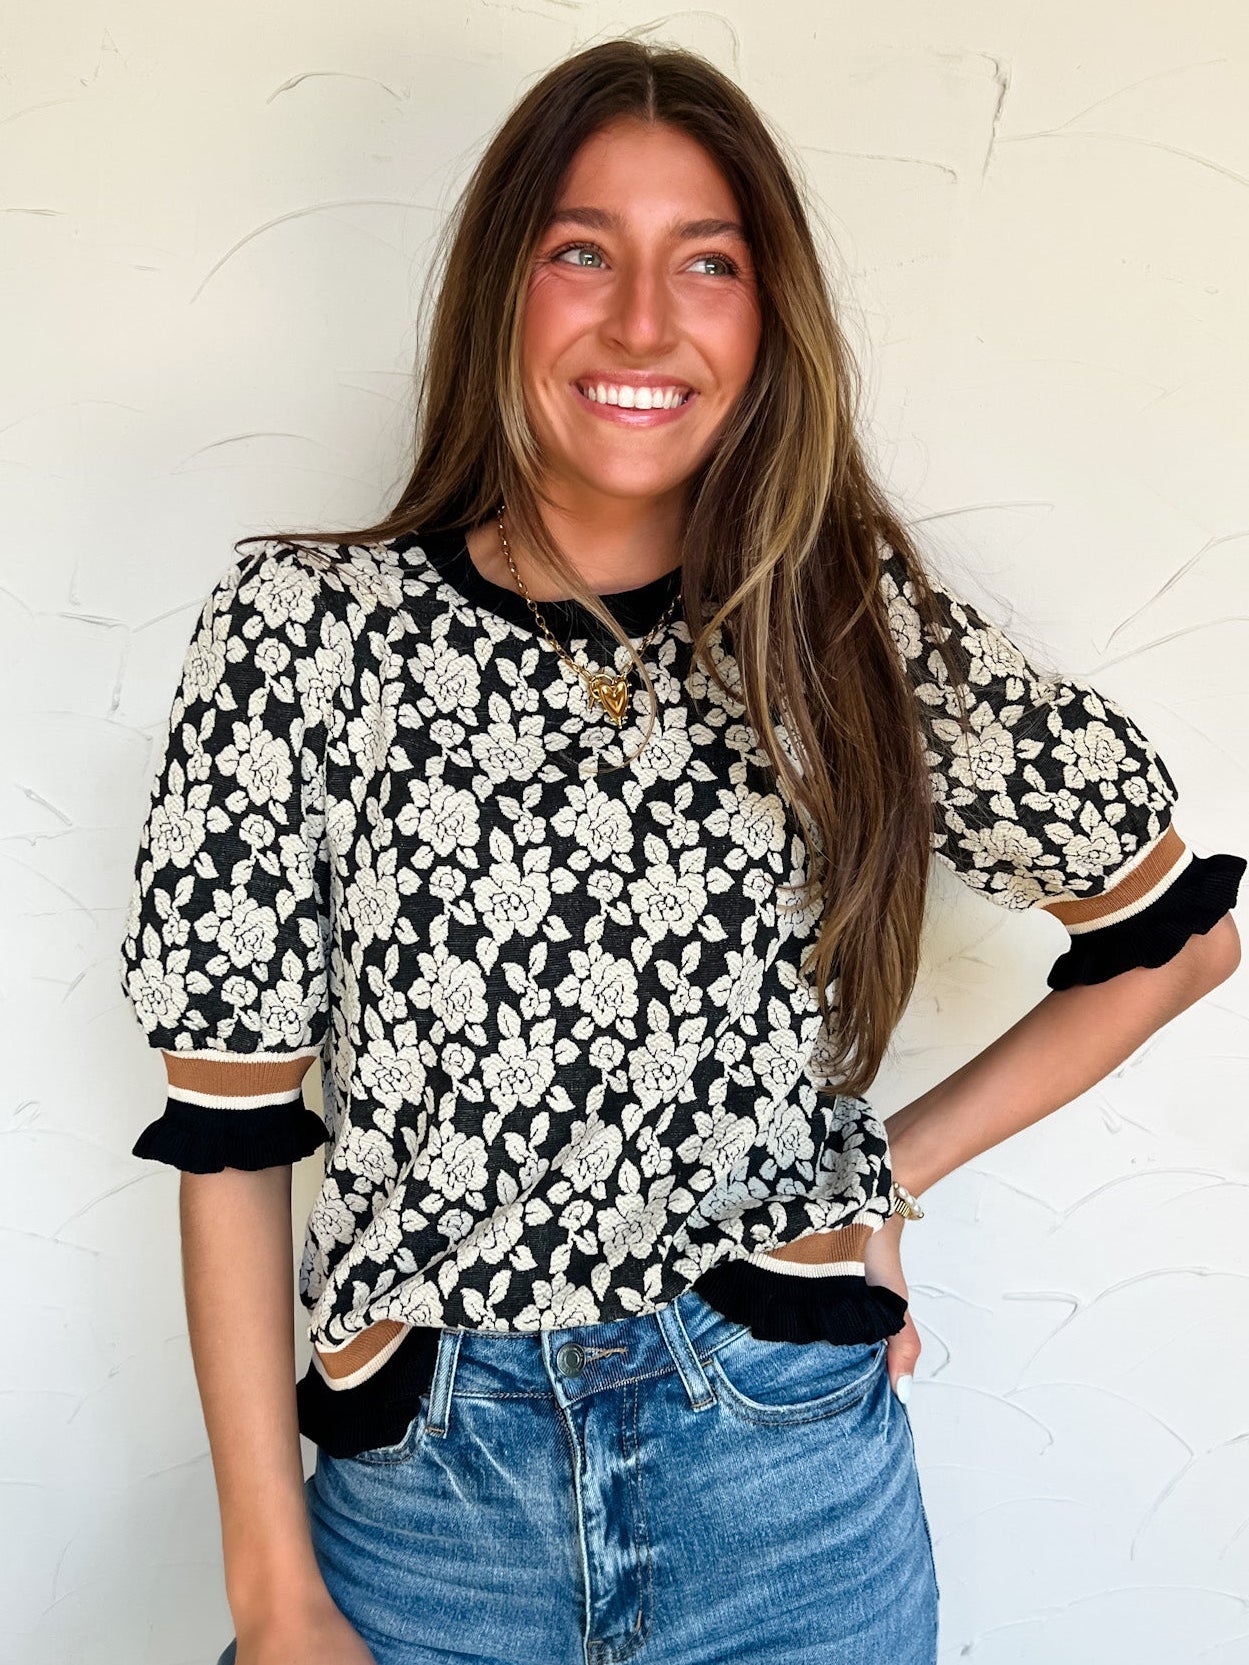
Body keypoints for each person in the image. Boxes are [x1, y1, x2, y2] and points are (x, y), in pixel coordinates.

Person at [117, 38, 1244, 1665]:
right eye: (583, 251)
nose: (641, 322)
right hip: (428, 1514)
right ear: (502, 287)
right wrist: (273, 1593)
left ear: (763, 316)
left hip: (786, 1495)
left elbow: (1170, 933)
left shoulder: (840, 623)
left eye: (703, 263)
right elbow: (230, 1131)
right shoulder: (306, 633)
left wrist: (881, 1175)